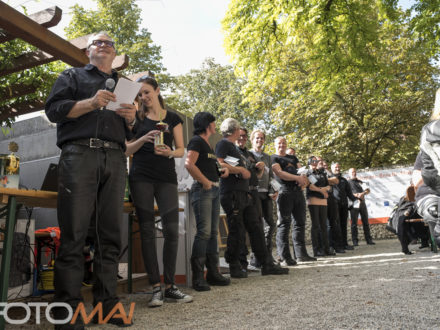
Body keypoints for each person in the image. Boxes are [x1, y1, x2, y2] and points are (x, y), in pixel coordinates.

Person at [45, 32, 136, 328]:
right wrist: (92, 102)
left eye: (109, 43)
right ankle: (67, 311)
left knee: (110, 238)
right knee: (73, 236)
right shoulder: (72, 76)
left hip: (115, 159)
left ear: (114, 53)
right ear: (88, 51)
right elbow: (54, 111)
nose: (104, 45)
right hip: (79, 155)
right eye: (98, 42)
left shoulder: (126, 87)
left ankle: (107, 306)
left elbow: (132, 133)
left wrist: (132, 117)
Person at [126, 75, 192, 307]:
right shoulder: (136, 117)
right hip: (140, 177)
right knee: (146, 231)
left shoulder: (173, 118)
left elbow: (181, 149)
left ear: (157, 90)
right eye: (140, 94)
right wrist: (143, 138)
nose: (143, 97)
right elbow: (125, 150)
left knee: (172, 231)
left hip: (166, 178)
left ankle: (171, 286)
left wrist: (169, 153)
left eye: (146, 92)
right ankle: (156, 288)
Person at [216, 119, 288, 277]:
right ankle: (234, 264)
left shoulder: (237, 151)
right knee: (237, 230)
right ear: (234, 131)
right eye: (239, 133)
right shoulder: (224, 145)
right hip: (233, 193)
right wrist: (241, 170)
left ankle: (266, 263)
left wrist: (250, 170)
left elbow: (238, 168)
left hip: (246, 194)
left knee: (256, 228)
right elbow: (220, 164)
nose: (241, 137)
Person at [185, 112, 231, 291]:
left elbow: (208, 166)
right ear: (207, 125)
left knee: (212, 232)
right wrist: (204, 182)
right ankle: (198, 278)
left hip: (213, 188)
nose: (215, 125)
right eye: (213, 122)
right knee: (204, 232)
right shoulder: (196, 141)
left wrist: (221, 172)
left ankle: (212, 273)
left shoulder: (207, 144)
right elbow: (189, 164)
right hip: (203, 190)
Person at [271, 137, 316, 263]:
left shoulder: (293, 158)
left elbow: (301, 171)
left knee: (300, 223)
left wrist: (303, 180)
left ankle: (301, 254)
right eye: (279, 143)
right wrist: (297, 178)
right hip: (284, 192)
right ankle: (284, 256)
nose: (282, 145)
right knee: (284, 224)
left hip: (298, 192)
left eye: (284, 143)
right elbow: (279, 173)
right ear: (275, 145)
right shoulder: (273, 158)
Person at [236, 128, 265, 270]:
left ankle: (263, 261)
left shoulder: (249, 154)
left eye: (244, 136)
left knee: (257, 228)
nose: (242, 138)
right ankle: (241, 263)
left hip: (254, 193)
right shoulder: (232, 151)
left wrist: (261, 169)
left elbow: (257, 177)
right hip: (240, 193)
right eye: (239, 136)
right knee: (240, 229)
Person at [250, 129, 278, 265]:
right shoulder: (249, 155)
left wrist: (275, 190)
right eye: (257, 138)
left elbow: (271, 176)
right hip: (254, 193)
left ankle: (267, 256)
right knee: (257, 225)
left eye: (261, 138)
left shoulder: (267, 157)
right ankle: (256, 258)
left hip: (266, 194)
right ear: (252, 139)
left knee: (270, 224)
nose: (259, 140)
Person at [306, 156, 335, 257]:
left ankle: (326, 248)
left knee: (324, 226)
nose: (316, 162)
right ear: (309, 162)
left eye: (317, 161)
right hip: (313, 199)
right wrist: (322, 190)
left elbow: (329, 186)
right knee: (316, 226)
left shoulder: (322, 173)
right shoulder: (308, 173)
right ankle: (317, 250)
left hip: (323, 200)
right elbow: (310, 186)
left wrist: (324, 189)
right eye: (313, 160)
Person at [331, 162, 356, 250]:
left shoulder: (344, 180)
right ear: (331, 169)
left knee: (343, 225)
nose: (337, 168)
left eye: (338, 167)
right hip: (334, 205)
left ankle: (344, 243)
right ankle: (337, 245)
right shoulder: (329, 179)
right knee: (336, 225)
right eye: (335, 167)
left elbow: (349, 193)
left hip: (344, 205)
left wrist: (356, 200)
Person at [348, 168, 375, 246]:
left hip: (362, 203)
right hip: (354, 204)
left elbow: (368, 190)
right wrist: (355, 195)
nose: (354, 173)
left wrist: (363, 193)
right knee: (354, 224)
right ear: (349, 173)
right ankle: (355, 241)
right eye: (352, 172)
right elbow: (347, 193)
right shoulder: (348, 182)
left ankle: (368, 240)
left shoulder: (360, 181)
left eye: (355, 172)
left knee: (365, 222)